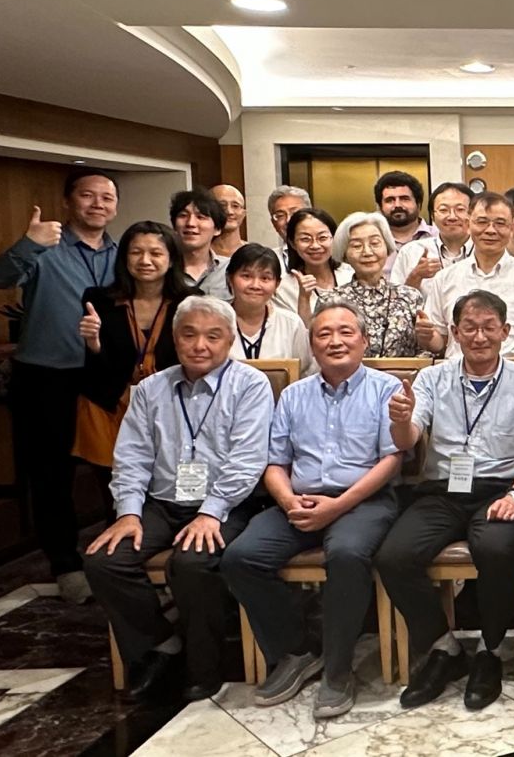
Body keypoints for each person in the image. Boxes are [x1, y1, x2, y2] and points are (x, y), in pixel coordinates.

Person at [83, 295, 272, 702]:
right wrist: (128, 512)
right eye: (189, 335)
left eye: (213, 336)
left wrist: (211, 513)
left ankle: (205, 666)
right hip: (162, 503)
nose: (200, 345)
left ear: (230, 342)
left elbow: (248, 460)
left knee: (191, 562)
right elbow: (131, 456)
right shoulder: (150, 389)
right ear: (175, 338)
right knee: (105, 560)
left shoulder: (250, 385)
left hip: (228, 505)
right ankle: (160, 644)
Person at [222, 301, 403, 719]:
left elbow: (392, 460)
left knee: (346, 554)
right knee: (241, 557)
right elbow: (275, 462)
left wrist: (337, 506)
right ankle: (296, 650)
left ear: (364, 340)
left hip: (362, 500)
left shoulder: (385, 388)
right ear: (312, 344)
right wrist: (288, 501)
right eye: (324, 334)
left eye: (345, 332)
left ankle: (338, 670)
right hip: (301, 499)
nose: (335, 341)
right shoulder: (293, 394)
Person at [375, 290, 514, 711]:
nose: (479, 337)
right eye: (469, 328)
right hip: (443, 491)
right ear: (454, 332)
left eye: (489, 327)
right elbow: (407, 439)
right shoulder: (432, 379)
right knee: (393, 556)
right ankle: (444, 647)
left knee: (495, 549)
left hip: (501, 489)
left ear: (505, 331)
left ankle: (490, 651)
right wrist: (400, 420)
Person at [0, 170, 120, 602]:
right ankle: (66, 566)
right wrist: (28, 243)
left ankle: (118, 560)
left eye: (107, 197)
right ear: (68, 201)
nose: (98, 204)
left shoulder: (123, 255)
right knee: (51, 475)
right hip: (47, 376)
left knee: (117, 473)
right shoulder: (44, 248)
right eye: (88, 195)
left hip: (104, 376)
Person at [76, 222, 196, 471]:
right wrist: (93, 342)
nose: (145, 260)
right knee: (114, 481)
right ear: (124, 258)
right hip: (109, 403)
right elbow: (97, 366)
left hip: (170, 404)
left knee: (164, 477)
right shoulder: (99, 300)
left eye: (155, 253)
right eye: (136, 252)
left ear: (171, 260)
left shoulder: (190, 301)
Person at [416, 191, 514, 359]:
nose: (490, 230)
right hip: (459, 369)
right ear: (468, 225)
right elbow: (439, 342)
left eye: (500, 223)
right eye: (482, 222)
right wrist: (427, 336)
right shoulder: (444, 278)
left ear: (512, 228)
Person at [314, 212, 427, 358]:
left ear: (387, 248)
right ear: (344, 254)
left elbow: (425, 350)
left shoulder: (410, 296)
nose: (367, 252)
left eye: (375, 243)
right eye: (357, 246)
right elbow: (321, 351)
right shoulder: (330, 300)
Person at [225, 243, 313, 376]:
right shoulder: (214, 322)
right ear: (230, 278)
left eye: (265, 278)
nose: (255, 285)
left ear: (277, 284)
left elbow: (302, 369)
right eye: (246, 276)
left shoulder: (291, 323)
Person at [390, 182, 474, 291]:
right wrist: (416, 276)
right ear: (432, 216)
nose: (452, 217)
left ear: (474, 214)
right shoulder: (411, 252)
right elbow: (395, 299)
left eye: (460, 209)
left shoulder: (486, 251)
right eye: (443, 210)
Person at [274, 207, 353, 319]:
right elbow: (294, 329)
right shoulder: (283, 289)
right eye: (305, 239)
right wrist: (304, 299)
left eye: (322, 238)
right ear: (292, 243)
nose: (315, 245)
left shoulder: (351, 275)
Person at [170, 189, 231, 300]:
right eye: (183, 215)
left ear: (217, 229)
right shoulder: (163, 268)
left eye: (201, 217)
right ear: (174, 226)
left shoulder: (230, 269)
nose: (190, 223)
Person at [374, 170, 436, 270]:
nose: (397, 205)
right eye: (390, 200)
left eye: (404, 199)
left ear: (418, 204)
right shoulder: (371, 242)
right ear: (380, 207)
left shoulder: (439, 237)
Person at [266, 185, 312, 268]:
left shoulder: (328, 252)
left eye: (294, 213)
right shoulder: (268, 260)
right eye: (280, 215)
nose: (288, 220)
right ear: (273, 223)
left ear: (310, 216)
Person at [209, 184, 247, 258]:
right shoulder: (198, 253)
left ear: (243, 214)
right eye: (222, 205)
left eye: (235, 206)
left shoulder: (256, 255)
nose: (229, 212)